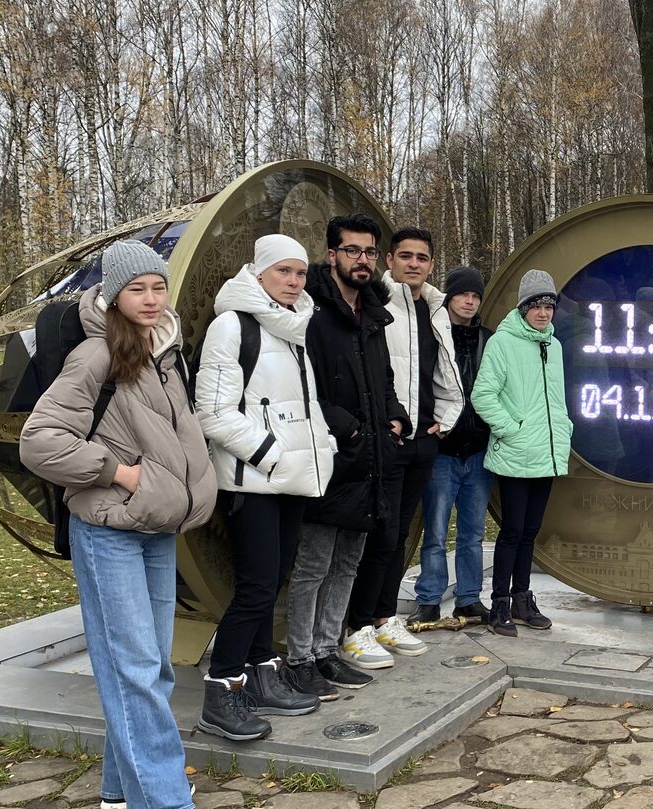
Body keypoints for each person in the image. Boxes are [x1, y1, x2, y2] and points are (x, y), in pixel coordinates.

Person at [19, 240, 219, 809]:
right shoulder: (95, 355)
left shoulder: (164, 352)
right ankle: (160, 801)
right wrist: (119, 472)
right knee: (135, 663)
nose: (151, 299)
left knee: (144, 662)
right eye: (138, 290)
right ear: (113, 295)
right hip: (109, 529)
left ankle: (119, 784)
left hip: (153, 528)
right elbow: (40, 439)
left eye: (158, 287)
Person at [194, 234, 336, 740]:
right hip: (253, 482)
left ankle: (260, 676)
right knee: (255, 588)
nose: (294, 282)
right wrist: (270, 455)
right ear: (258, 274)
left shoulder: (295, 328)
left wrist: (319, 450)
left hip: (291, 479)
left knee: (273, 580)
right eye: (283, 272)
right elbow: (212, 411)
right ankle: (220, 691)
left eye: (300, 273)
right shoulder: (231, 327)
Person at [285, 214, 410, 697]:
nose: (363, 260)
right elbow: (306, 384)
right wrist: (353, 430)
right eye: (353, 250)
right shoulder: (313, 312)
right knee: (314, 565)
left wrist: (394, 415)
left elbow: (383, 380)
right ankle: (299, 659)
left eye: (370, 252)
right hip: (330, 457)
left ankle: (326, 651)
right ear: (332, 254)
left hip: (372, 457)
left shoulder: (374, 315)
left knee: (347, 564)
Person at [342, 226, 462, 662]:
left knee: (399, 536)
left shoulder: (434, 307)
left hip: (422, 441)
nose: (414, 264)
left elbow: (443, 371)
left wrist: (444, 421)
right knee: (380, 534)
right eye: (406, 256)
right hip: (386, 440)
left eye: (423, 258)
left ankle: (383, 616)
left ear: (431, 265)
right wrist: (382, 426)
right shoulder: (375, 302)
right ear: (389, 260)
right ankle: (356, 627)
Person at [471, 269, 573, 636]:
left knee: (530, 530)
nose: (544, 313)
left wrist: (562, 428)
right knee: (512, 531)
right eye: (537, 306)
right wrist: (511, 428)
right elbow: (483, 395)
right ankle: (499, 605)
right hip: (515, 454)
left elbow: (555, 399)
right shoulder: (503, 342)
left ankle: (522, 599)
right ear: (524, 307)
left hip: (545, 453)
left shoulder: (554, 345)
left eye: (549, 306)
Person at [413, 266, 492, 625]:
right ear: (450, 297)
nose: (469, 301)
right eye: (463, 294)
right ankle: (428, 599)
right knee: (435, 531)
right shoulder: (431, 336)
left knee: (473, 533)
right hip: (443, 451)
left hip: (478, 450)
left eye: (475, 296)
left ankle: (469, 598)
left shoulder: (488, 341)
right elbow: (419, 383)